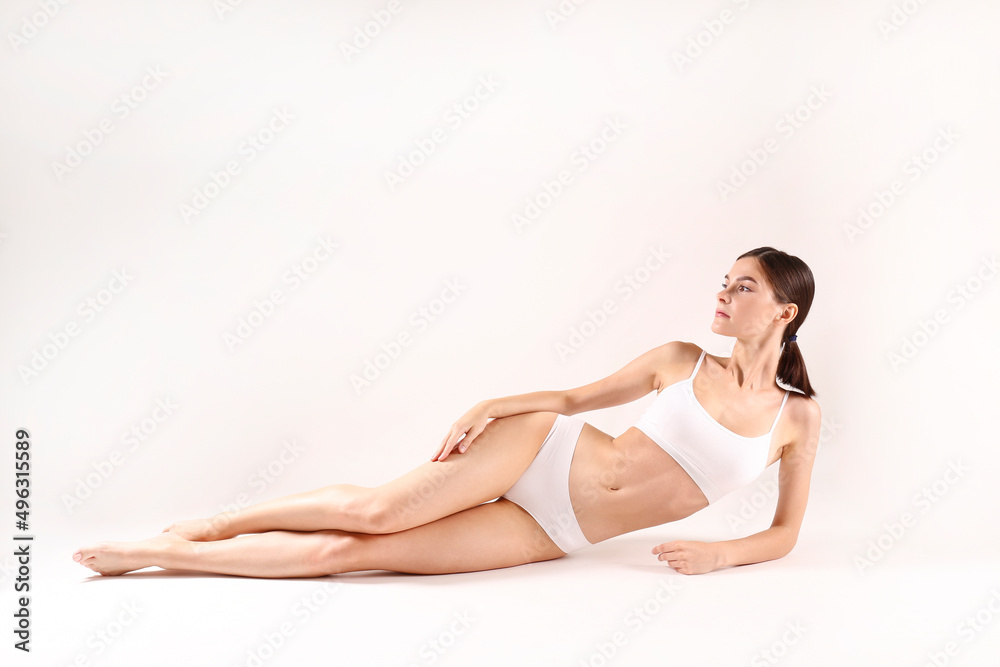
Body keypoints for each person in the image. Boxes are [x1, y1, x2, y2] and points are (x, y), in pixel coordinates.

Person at [73, 246, 821, 578]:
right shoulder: (679, 357)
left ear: (784, 310)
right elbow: (568, 401)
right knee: (372, 512)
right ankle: (206, 527)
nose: (722, 294)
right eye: (722, 282)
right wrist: (493, 404)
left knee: (350, 556)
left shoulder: (798, 418)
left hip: (554, 532)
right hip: (544, 449)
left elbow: (785, 533)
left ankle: (170, 556)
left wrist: (720, 554)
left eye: (742, 286)